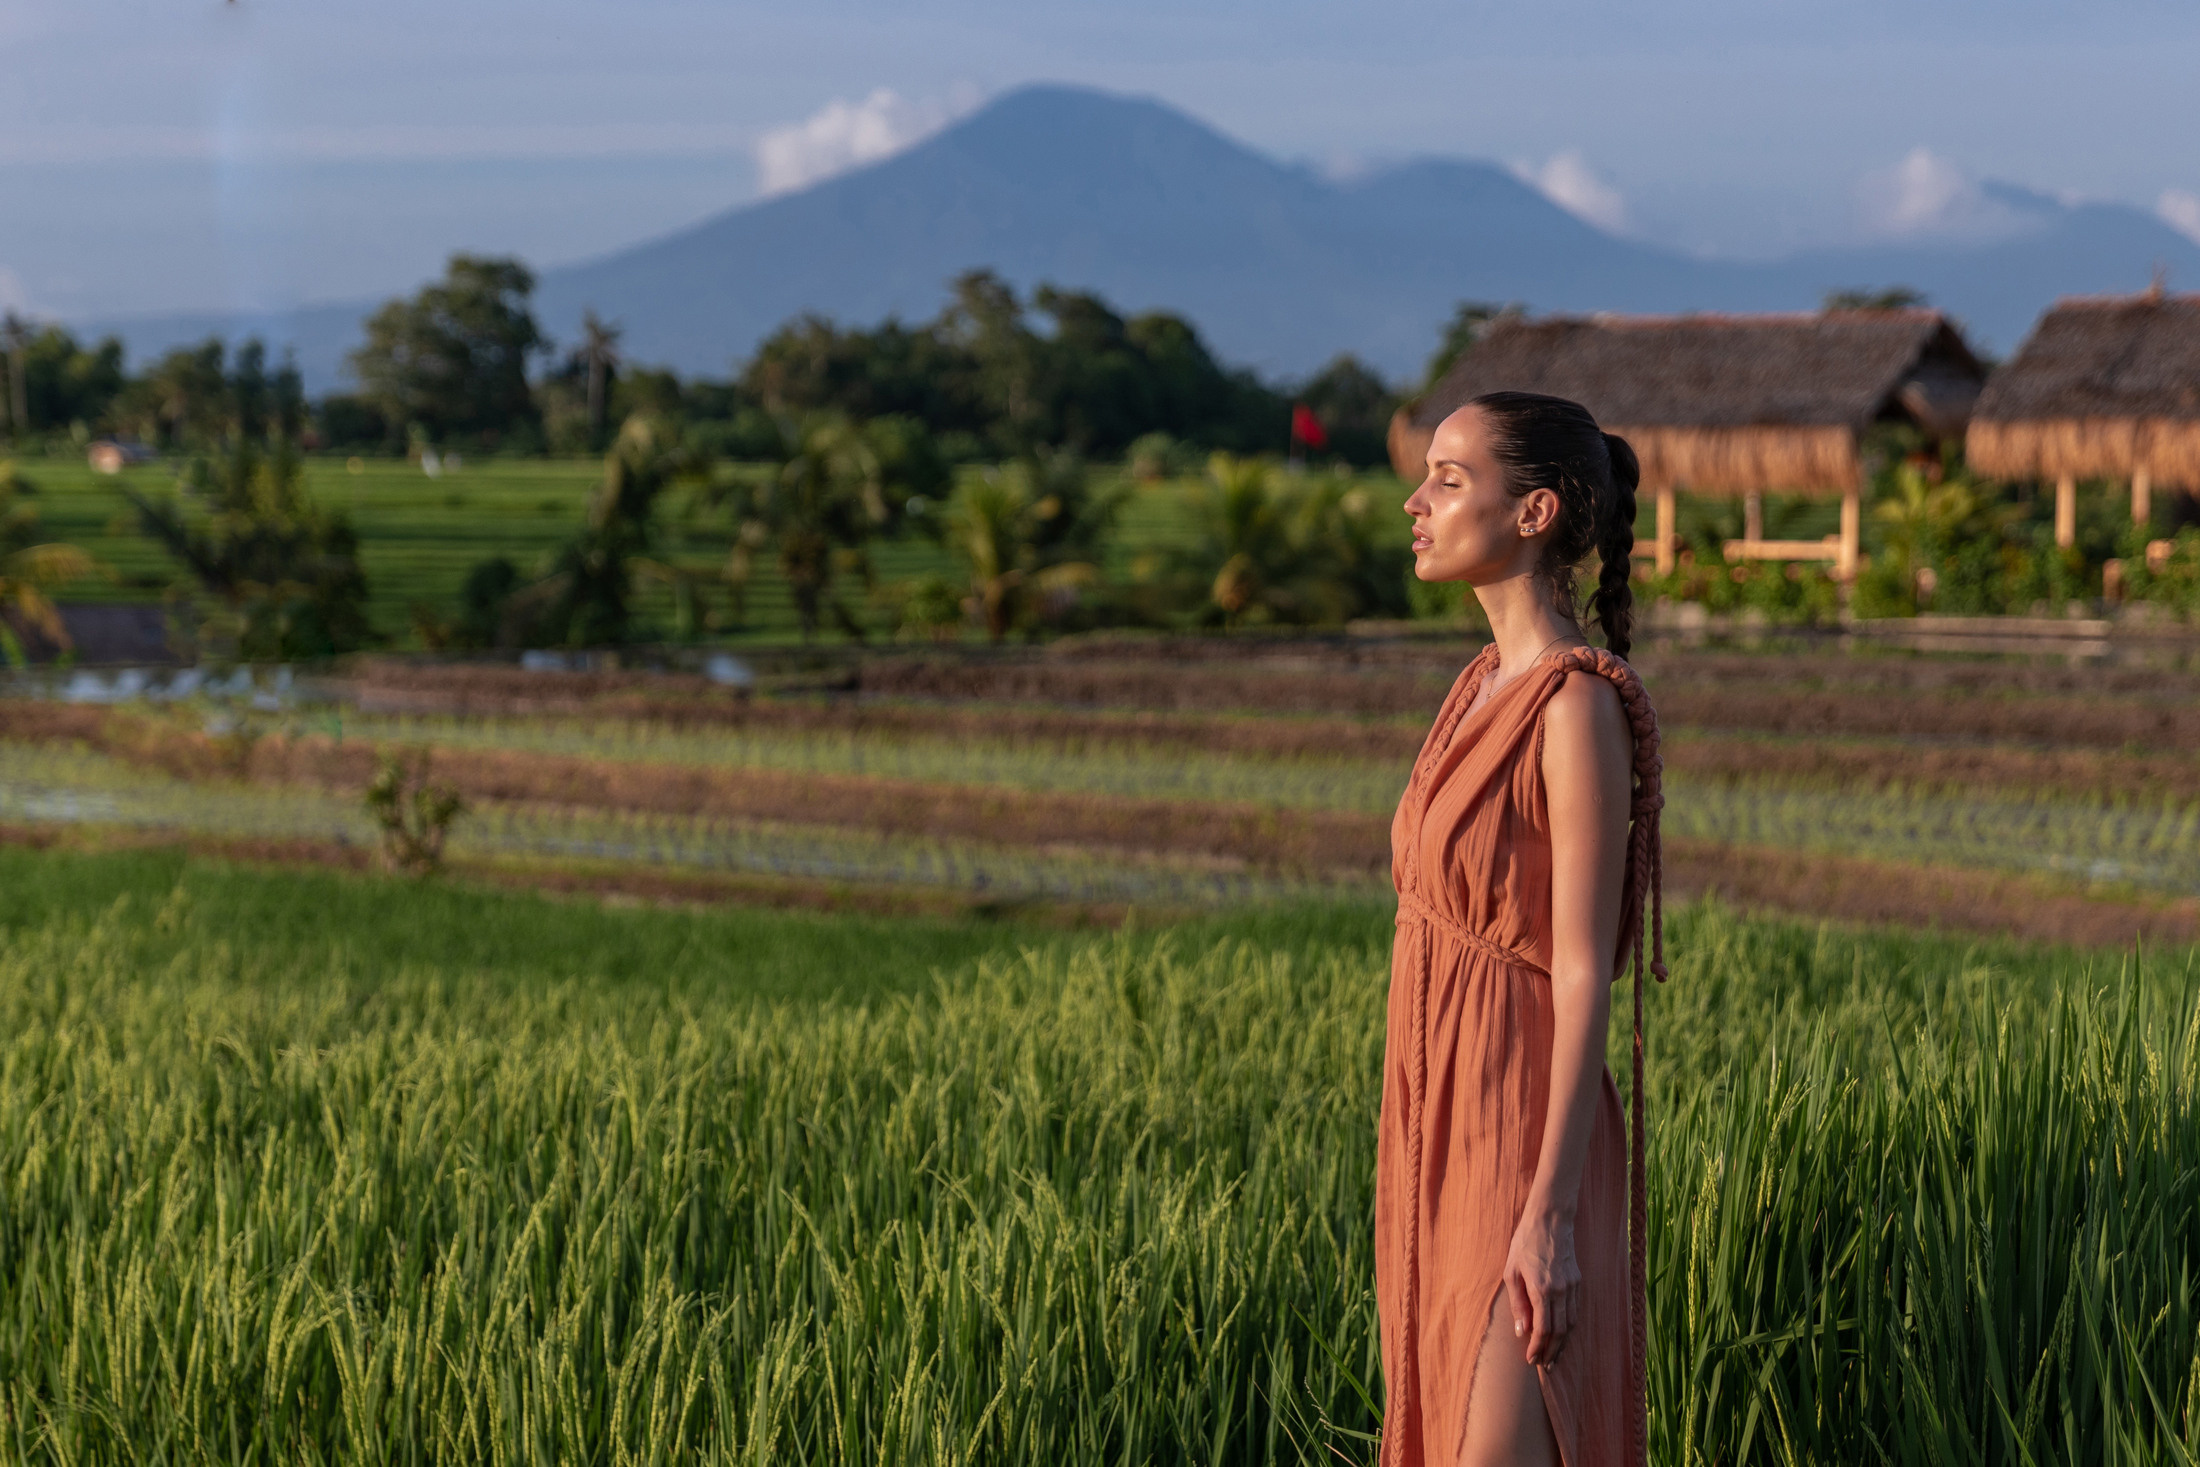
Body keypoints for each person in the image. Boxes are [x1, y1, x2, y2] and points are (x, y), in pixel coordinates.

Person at [1378, 392, 1666, 1467]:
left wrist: (1547, 1213)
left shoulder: (1572, 706)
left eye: (1448, 481)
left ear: (1536, 510)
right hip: (1430, 1119)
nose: (1416, 501)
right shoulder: (1472, 688)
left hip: (1522, 1135)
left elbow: (1585, 967)